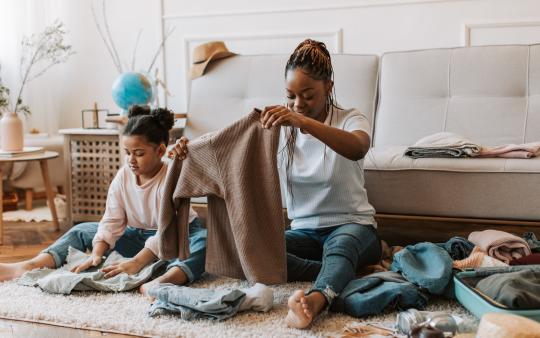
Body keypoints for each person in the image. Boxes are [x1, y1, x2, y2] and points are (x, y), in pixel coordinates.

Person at [0, 105, 207, 296]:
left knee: (204, 242)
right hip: (138, 236)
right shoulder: (124, 176)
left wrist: (136, 262)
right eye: (127, 153)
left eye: (139, 153)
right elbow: (111, 220)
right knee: (82, 230)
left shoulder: (172, 174)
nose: (131, 160)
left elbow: (166, 231)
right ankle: (31, 265)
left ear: (160, 151)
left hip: (177, 235)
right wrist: (96, 254)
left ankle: (165, 280)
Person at [259, 39, 382, 329]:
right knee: (257, 251)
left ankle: (315, 300)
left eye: (307, 95)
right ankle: (346, 272)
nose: (298, 105)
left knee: (340, 247)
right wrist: (186, 149)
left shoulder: (351, 118)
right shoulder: (282, 126)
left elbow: (357, 148)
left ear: (328, 86)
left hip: (353, 227)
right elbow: (233, 147)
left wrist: (301, 122)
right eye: (291, 96)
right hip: (305, 233)